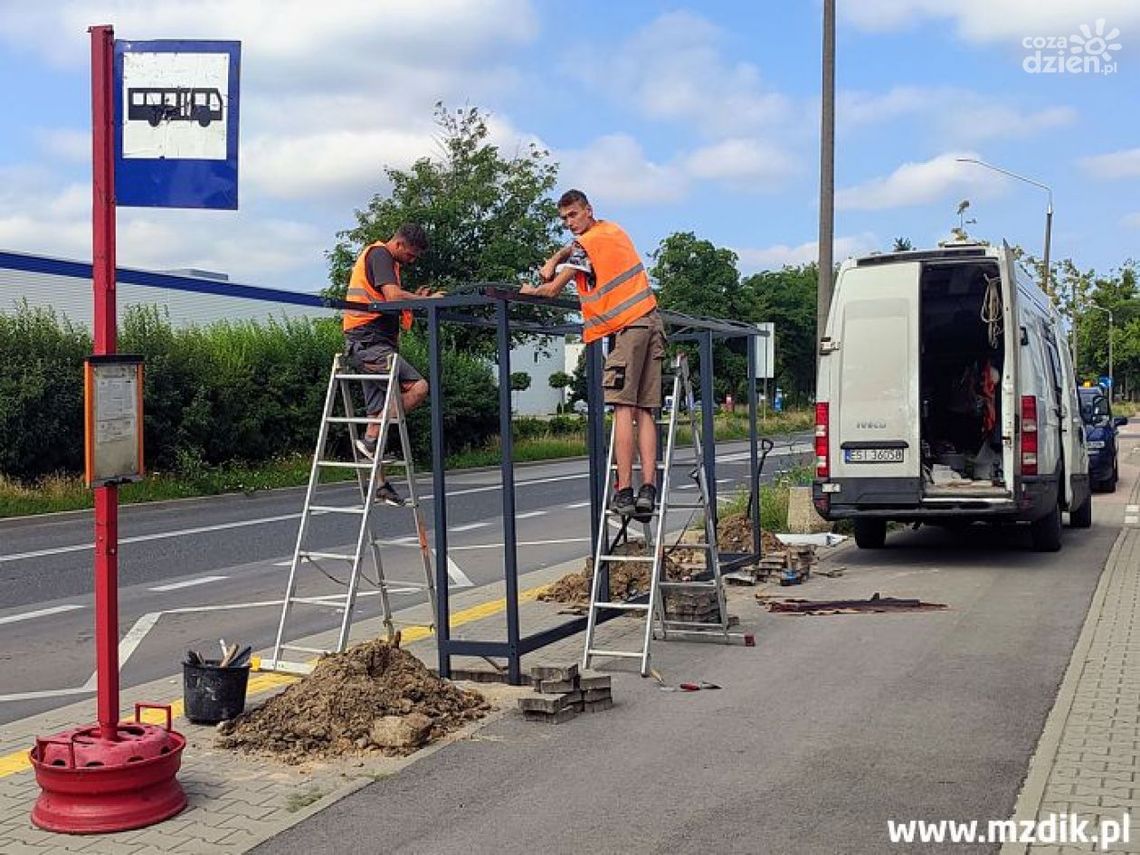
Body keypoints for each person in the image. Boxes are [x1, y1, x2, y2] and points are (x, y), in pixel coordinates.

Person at [521, 189, 666, 519]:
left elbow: (551, 289)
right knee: (646, 409)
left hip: (628, 328)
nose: (569, 223)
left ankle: (624, 490)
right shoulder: (611, 231)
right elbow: (575, 248)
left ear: (588, 210)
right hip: (651, 320)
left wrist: (531, 289)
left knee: (622, 407)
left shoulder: (587, 246)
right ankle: (648, 488)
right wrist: (554, 259)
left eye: (573, 215)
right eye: (564, 219)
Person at [342, 223, 442, 506]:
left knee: (378, 411)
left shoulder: (385, 261)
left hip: (368, 342)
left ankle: (380, 485)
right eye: (411, 254)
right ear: (399, 244)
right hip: (369, 342)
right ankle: (371, 439)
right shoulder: (381, 255)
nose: (412, 260)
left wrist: (416, 300)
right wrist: (426, 302)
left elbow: (391, 298)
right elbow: (393, 297)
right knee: (419, 387)